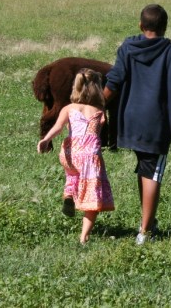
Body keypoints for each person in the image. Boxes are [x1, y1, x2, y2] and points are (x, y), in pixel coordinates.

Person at [103, 4, 171, 244]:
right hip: (156, 123)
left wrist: (97, 106)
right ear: (165, 27)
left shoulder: (127, 48)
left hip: (129, 121)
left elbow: (114, 82)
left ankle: (148, 221)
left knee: (145, 168)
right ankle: (145, 232)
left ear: (141, 25)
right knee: (153, 173)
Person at [37, 68, 114, 244]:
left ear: (76, 87)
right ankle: (84, 236)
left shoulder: (69, 108)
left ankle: (69, 195)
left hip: (70, 153)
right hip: (90, 156)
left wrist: (45, 140)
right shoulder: (99, 110)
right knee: (93, 197)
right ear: (97, 87)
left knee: (73, 175)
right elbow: (101, 125)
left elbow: (57, 127)